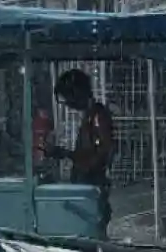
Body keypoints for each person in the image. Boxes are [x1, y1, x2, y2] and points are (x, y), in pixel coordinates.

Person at [44, 69, 115, 230]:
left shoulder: (97, 116)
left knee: (88, 229)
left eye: (68, 98)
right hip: (87, 184)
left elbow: (104, 149)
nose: (68, 104)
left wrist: (85, 167)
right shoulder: (90, 115)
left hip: (91, 184)